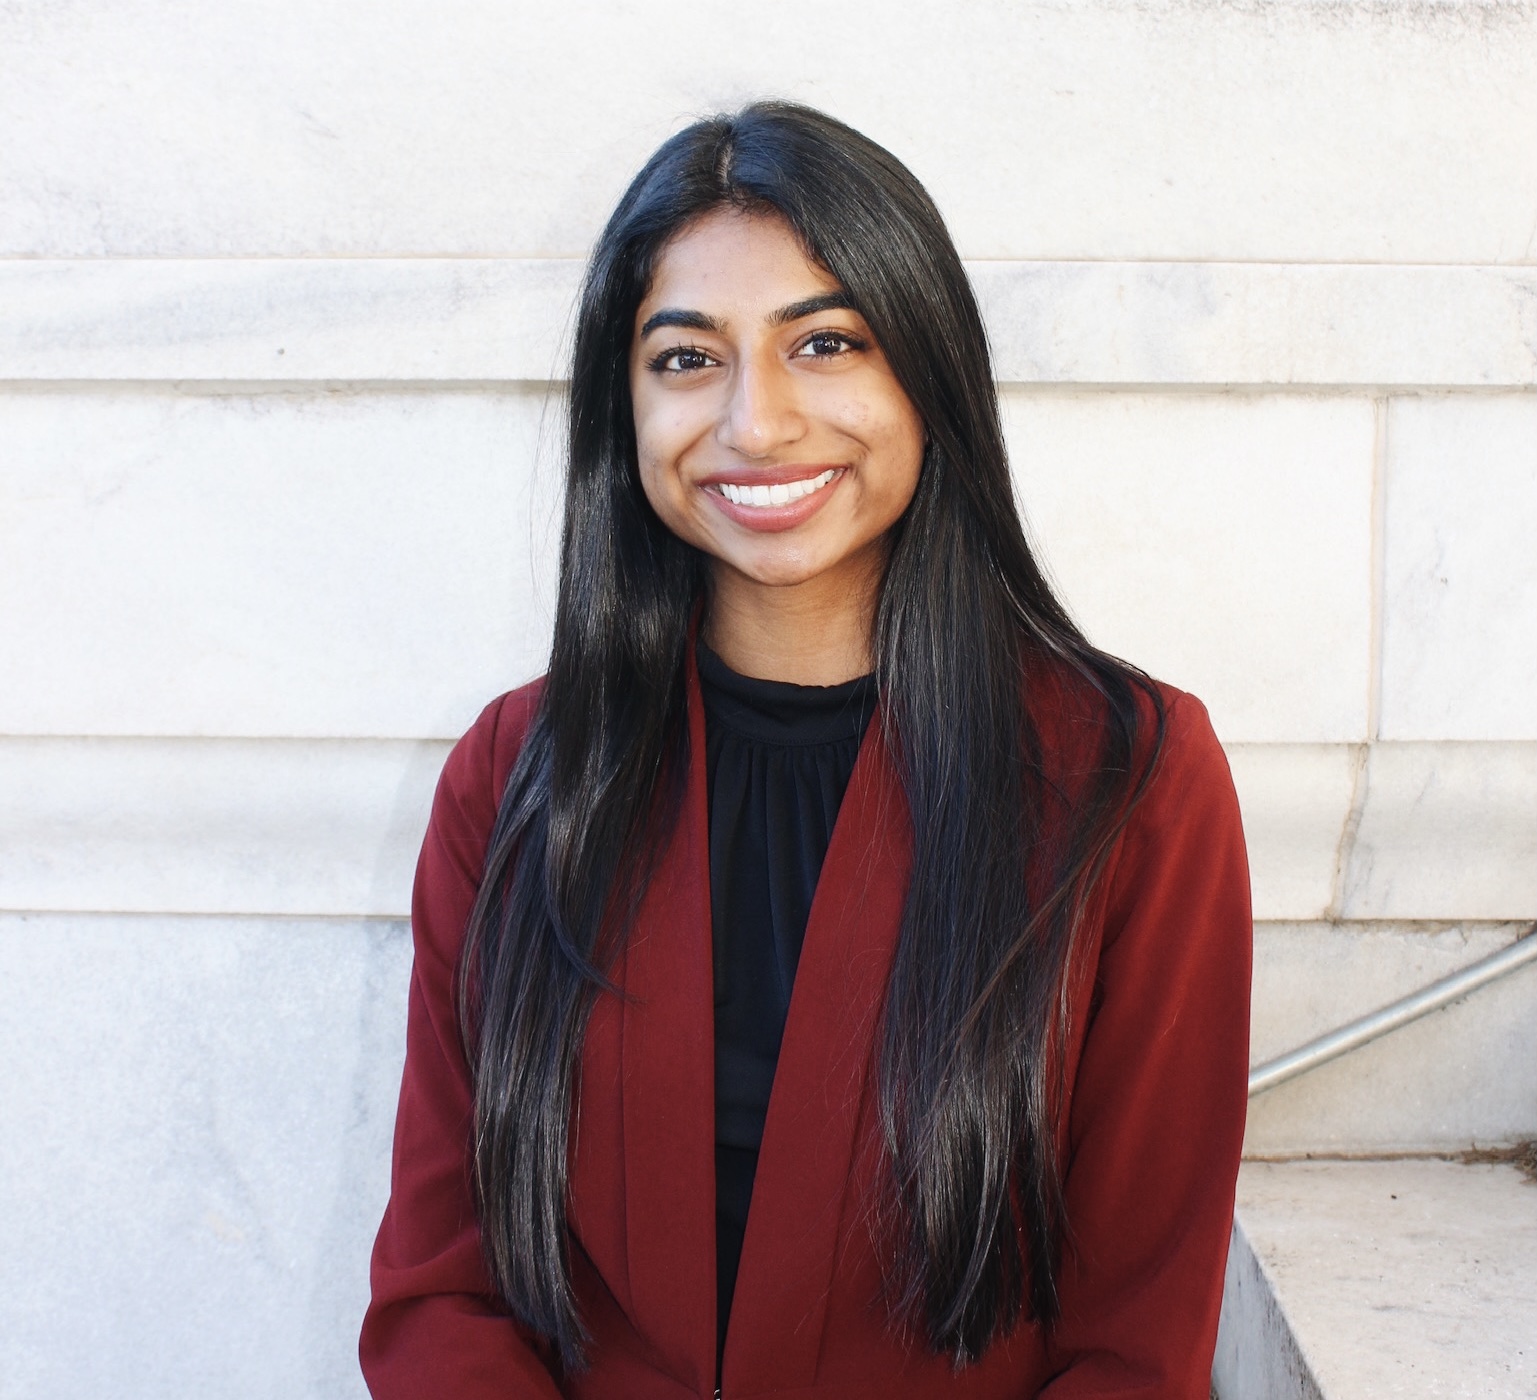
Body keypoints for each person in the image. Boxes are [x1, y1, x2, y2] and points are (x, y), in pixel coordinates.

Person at [360, 101, 1251, 1400]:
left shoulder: (1128, 778)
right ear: (624, 407)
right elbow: (444, 1290)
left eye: (825, 343)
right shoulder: (516, 776)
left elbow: (1137, 1341)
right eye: (686, 358)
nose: (757, 423)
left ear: (927, 370)